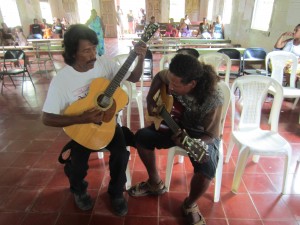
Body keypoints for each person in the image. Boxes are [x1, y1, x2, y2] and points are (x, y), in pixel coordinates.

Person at [42, 24, 147, 216]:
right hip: (81, 128)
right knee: (78, 163)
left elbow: (134, 77)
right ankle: (79, 190)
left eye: (94, 48)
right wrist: (82, 117)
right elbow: (46, 119)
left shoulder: (103, 63)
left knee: (121, 155)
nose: (93, 55)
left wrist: (140, 57)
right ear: (72, 53)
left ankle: (116, 192)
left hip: (108, 125)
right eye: (86, 51)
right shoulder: (62, 81)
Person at [128, 53, 223, 225]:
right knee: (141, 137)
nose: (170, 87)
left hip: (199, 136)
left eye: (175, 85)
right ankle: (155, 183)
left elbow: (211, 135)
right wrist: (150, 99)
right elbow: (159, 76)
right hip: (174, 124)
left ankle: (189, 204)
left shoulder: (213, 99)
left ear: (192, 84)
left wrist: (192, 142)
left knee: (206, 168)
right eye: (170, 82)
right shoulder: (175, 76)